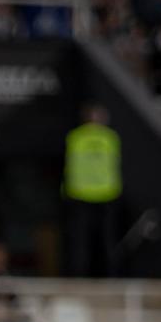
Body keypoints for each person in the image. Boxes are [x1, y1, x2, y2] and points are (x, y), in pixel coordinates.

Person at [62, 103, 122, 276]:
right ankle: (110, 274)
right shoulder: (111, 137)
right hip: (107, 194)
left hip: (79, 194)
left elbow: (68, 166)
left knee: (80, 241)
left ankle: (78, 274)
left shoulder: (75, 137)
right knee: (106, 240)